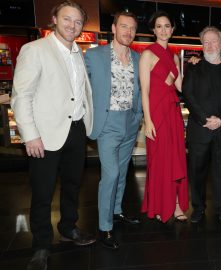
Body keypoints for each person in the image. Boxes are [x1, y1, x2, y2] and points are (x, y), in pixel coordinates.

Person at [11, 1, 96, 269]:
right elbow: (21, 96)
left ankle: (69, 228)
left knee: (72, 185)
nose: (73, 25)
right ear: (54, 20)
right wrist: (30, 135)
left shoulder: (78, 52)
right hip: (45, 135)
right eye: (67, 19)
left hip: (76, 129)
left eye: (78, 21)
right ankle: (41, 246)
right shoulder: (34, 50)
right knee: (42, 193)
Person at [85, 11, 142, 249]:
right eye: (124, 26)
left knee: (121, 171)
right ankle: (104, 227)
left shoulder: (139, 58)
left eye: (132, 28)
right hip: (107, 124)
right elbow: (81, 88)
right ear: (114, 27)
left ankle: (117, 211)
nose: (128, 32)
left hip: (130, 122)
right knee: (110, 175)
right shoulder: (94, 55)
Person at [183, 26, 221, 224]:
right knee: (196, 173)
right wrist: (205, 120)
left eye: (213, 41)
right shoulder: (192, 68)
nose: (209, 45)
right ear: (201, 44)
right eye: (205, 41)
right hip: (199, 130)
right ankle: (198, 208)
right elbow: (188, 96)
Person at [139, 10, 188, 223]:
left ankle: (176, 205)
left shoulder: (175, 56)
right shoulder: (147, 54)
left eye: (167, 26)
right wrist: (147, 120)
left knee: (176, 158)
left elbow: (180, 87)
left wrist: (189, 67)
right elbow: (144, 91)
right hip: (157, 114)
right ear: (153, 30)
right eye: (159, 26)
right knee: (160, 161)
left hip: (173, 113)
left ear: (173, 28)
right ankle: (161, 204)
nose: (163, 30)